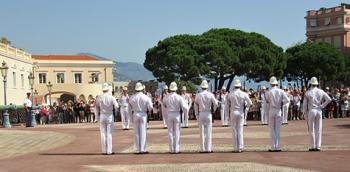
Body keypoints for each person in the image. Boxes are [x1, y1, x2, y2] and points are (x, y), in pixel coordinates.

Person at [303, 77, 331, 151]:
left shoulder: (308, 92)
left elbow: (304, 105)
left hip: (311, 110)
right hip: (319, 110)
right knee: (319, 128)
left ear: (311, 84)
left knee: (311, 129)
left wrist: (304, 113)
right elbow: (329, 99)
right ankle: (318, 146)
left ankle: (313, 146)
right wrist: (322, 106)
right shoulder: (321, 91)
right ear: (317, 84)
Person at [225, 79, 252, 153]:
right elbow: (250, 103)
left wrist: (227, 116)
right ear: (240, 86)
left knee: (234, 130)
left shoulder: (230, 94)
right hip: (240, 112)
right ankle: (240, 147)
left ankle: (235, 148)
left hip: (233, 112)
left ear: (234, 86)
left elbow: (227, 106)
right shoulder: (244, 94)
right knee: (240, 130)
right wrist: (245, 106)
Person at [265, 76, 290, 152]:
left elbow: (267, 102)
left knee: (272, 129)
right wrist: (281, 103)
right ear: (276, 83)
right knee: (278, 129)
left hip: (271, 110)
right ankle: (278, 147)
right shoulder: (281, 91)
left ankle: (273, 147)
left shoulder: (268, 92)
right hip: (278, 110)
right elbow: (287, 100)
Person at [163, 82, 188, 153]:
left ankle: (171, 149)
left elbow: (164, 105)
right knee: (177, 132)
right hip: (177, 114)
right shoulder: (179, 97)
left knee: (170, 132)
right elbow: (184, 107)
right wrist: (185, 112)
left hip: (169, 114)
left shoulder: (166, 97)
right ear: (176, 89)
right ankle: (176, 149)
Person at [128, 82, 153, 154]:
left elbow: (129, 109)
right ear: (142, 89)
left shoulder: (132, 97)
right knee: (143, 132)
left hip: (135, 114)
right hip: (143, 114)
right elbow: (150, 107)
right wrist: (148, 110)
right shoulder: (146, 97)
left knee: (136, 132)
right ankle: (143, 149)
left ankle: (137, 149)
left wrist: (130, 118)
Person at [95, 83, 119, 155]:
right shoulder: (111, 97)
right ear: (108, 89)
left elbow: (96, 108)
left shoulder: (99, 98)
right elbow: (116, 106)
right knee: (109, 133)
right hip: (109, 115)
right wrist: (116, 112)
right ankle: (109, 150)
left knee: (102, 133)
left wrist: (96, 117)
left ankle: (104, 150)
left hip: (102, 115)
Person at [194, 80, 218, 153]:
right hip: (208, 113)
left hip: (201, 113)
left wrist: (196, 114)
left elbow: (195, 104)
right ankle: (208, 149)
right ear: (207, 87)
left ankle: (203, 149)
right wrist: (213, 110)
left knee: (201, 132)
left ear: (201, 87)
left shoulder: (198, 95)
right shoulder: (210, 94)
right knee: (209, 132)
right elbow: (216, 103)